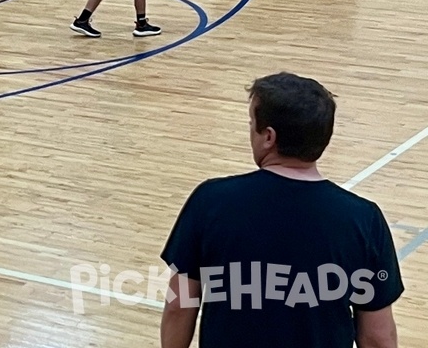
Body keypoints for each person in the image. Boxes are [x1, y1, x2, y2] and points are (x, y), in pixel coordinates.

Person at [160, 72, 403, 348]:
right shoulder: (364, 219)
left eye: (252, 124)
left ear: (269, 137)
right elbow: (377, 337)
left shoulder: (210, 201)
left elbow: (179, 306)